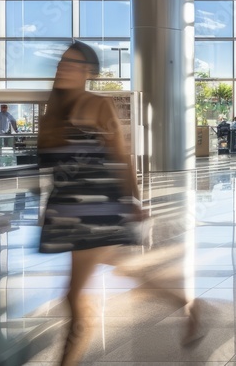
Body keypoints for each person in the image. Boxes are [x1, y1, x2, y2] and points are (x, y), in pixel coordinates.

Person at [38, 41, 200, 364]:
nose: (63, 67)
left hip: (95, 212)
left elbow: (121, 156)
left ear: (88, 72)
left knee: (73, 293)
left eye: (72, 63)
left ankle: (70, 351)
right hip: (67, 213)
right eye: (62, 62)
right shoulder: (51, 111)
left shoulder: (97, 106)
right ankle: (186, 305)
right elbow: (51, 166)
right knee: (127, 272)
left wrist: (134, 200)